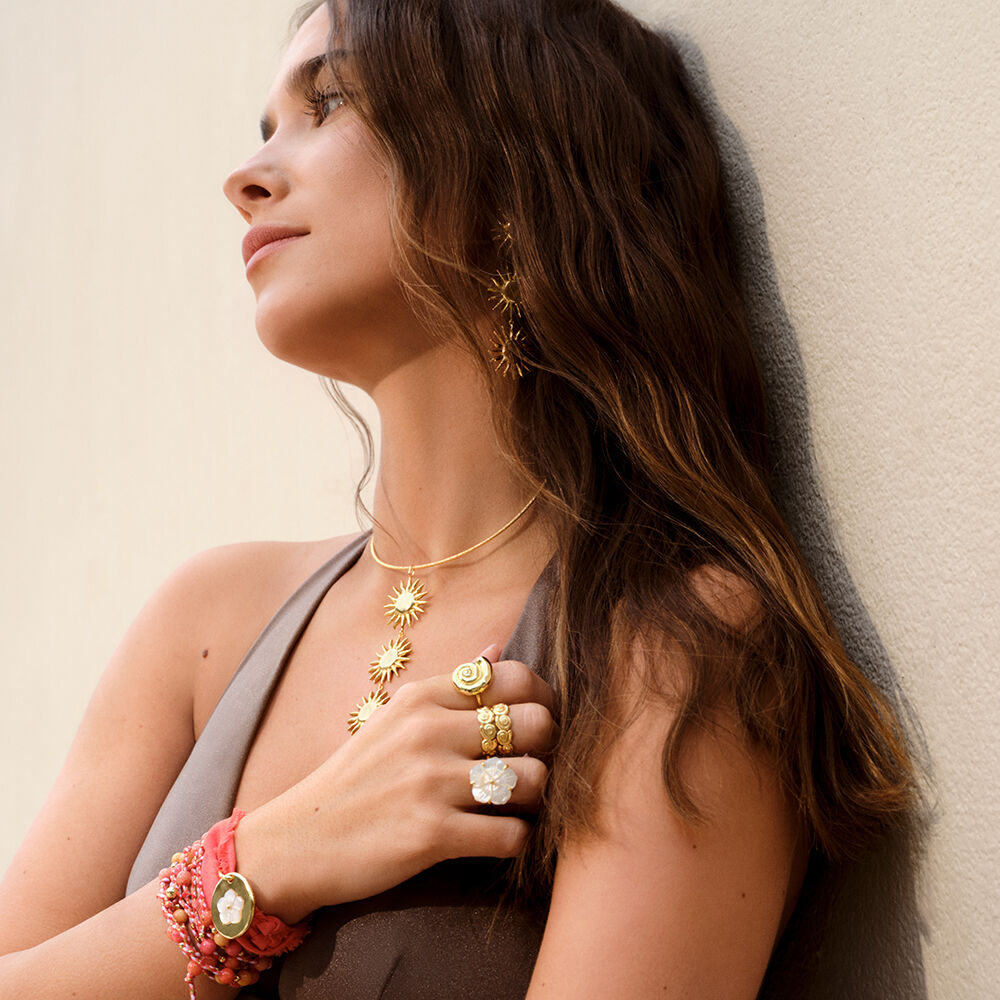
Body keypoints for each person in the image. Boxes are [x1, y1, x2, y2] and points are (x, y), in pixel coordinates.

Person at [0, 0, 917, 997]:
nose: (247, 177)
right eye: (266, 127)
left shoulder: (671, 651)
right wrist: (265, 861)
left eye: (329, 102)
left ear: (513, 171)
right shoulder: (207, 625)